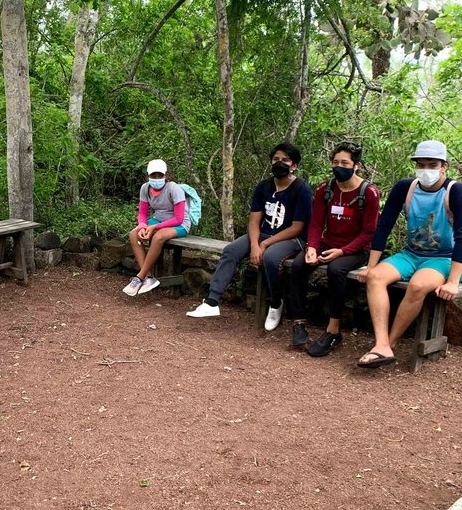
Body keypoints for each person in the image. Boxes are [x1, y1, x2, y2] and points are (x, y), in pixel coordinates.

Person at [356, 139, 462, 368]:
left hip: (443, 258)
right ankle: (381, 344)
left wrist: (453, 281)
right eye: (421, 164)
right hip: (411, 254)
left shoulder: (456, 191)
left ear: (444, 166)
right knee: (375, 277)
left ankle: (389, 344)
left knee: (418, 285)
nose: (426, 169)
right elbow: (384, 226)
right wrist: (371, 265)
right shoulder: (405, 187)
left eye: (432, 164)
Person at [186, 143, 313, 327]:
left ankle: (276, 303)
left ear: (294, 165)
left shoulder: (301, 189)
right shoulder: (264, 186)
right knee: (231, 250)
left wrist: (264, 244)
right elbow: (254, 220)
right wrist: (255, 244)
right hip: (264, 234)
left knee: (270, 257)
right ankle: (212, 302)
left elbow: (297, 227)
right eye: (276, 159)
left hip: (291, 239)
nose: (280, 163)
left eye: (285, 160)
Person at [287, 142, 380, 356]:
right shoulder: (325, 189)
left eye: (345, 163)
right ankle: (299, 322)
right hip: (328, 242)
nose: (339, 166)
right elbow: (317, 223)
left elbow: (369, 232)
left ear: (356, 165)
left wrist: (342, 251)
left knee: (336, 270)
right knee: (300, 264)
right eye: (335, 162)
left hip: (357, 248)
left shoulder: (369, 193)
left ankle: (333, 330)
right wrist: (311, 247)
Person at [123, 159, 192, 296]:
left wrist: (155, 227)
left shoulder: (174, 189)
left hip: (180, 224)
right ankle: (148, 278)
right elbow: (142, 213)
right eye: (153, 175)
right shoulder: (145, 188)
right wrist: (143, 225)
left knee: (158, 237)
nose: (156, 178)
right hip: (158, 220)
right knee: (133, 234)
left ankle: (140, 277)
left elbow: (178, 218)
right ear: (148, 176)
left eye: (159, 175)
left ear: (165, 175)